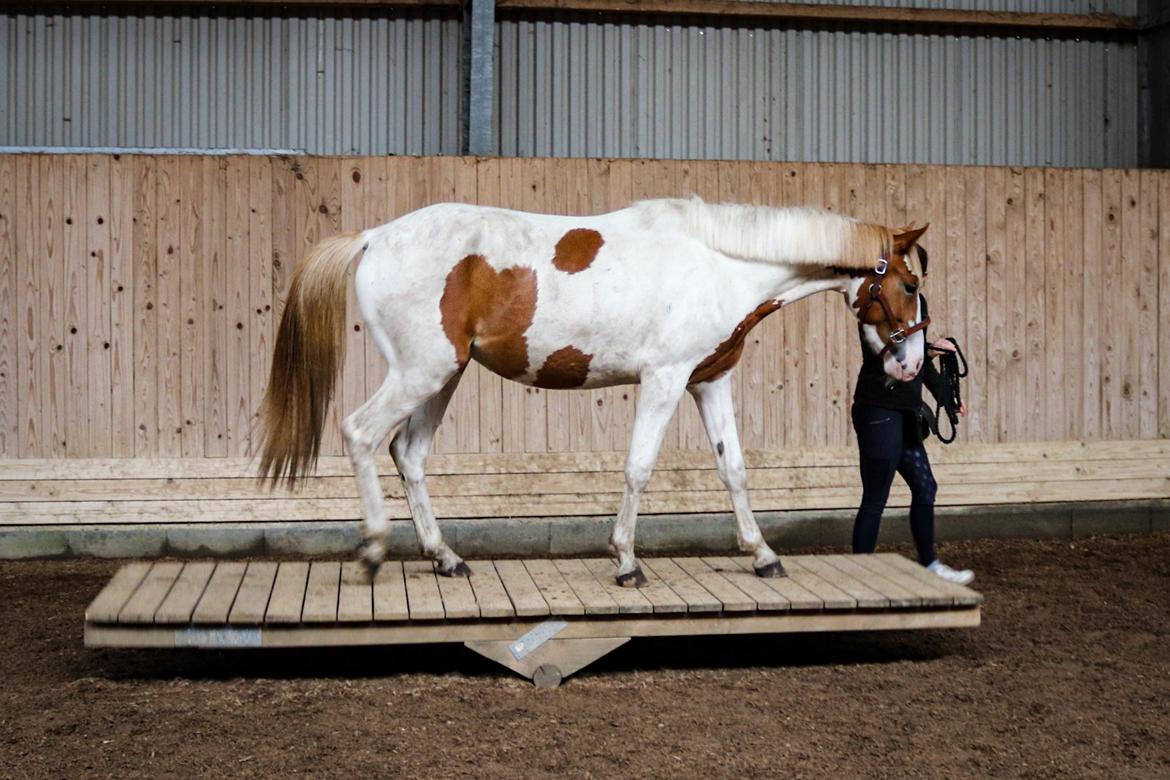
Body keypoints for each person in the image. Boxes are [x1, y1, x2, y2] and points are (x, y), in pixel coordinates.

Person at [850, 290, 974, 585]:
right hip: (878, 411)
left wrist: (947, 396)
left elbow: (921, 364)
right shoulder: (875, 306)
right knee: (876, 496)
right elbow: (885, 354)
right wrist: (929, 348)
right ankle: (858, 574)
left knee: (926, 486)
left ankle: (930, 564)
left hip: (906, 412)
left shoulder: (919, 304)